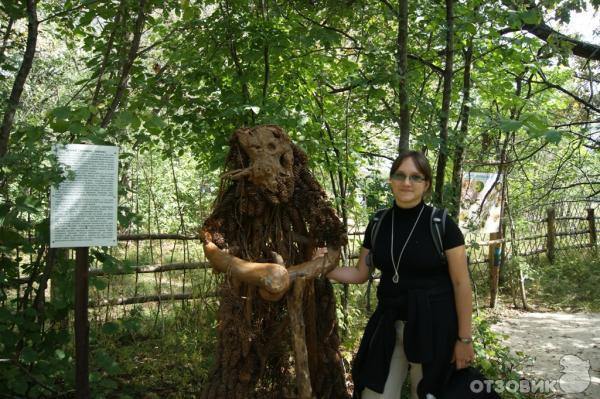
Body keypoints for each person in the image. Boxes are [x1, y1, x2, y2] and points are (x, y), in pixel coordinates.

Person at [327, 150, 475, 399]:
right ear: (391, 180)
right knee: (374, 394)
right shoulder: (378, 223)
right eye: (400, 175)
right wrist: (323, 269)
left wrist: (464, 339)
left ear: (426, 184)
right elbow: (360, 272)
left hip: (434, 326)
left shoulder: (441, 224)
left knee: (428, 393)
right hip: (389, 323)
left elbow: (461, 284)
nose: (407, 182)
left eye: (415, 177)